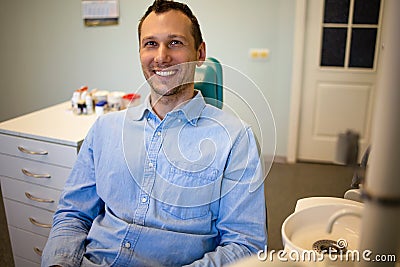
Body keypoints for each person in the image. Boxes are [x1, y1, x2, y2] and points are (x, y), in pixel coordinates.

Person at [41, 0, 267, 266]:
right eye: (150, 44)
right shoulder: (105, 130)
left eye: (175, 43)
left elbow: (245, 244)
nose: (161, 56)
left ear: (200, 52)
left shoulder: (234, 139)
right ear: (139, 52)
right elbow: (73, 215)